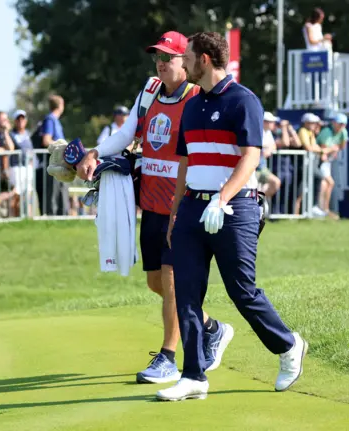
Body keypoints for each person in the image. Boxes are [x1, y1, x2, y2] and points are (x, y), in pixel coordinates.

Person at [156, 32, 307, 402]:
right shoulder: (191, 106)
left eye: (187, 56)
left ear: (204, 59)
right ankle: (193, 375)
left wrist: (222, 200)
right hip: (193, 208)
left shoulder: (243, 100)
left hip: (235, 208)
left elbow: (250, 157)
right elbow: (186, 162)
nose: (184, 62)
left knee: (242, 290)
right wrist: (176, 213)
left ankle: (289, 345)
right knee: (187, 292)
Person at [76, 31, 234, 385]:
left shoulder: (198, 95)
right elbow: (128, 131)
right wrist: (95, 152)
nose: (161, 63)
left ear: (186, 60)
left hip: (183, 203)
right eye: (157, 57)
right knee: (155, 283)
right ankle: (211, 327)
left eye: (169, 57)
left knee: (171, 279)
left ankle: (168, 357)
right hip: (151, 201)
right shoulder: (149, 91)